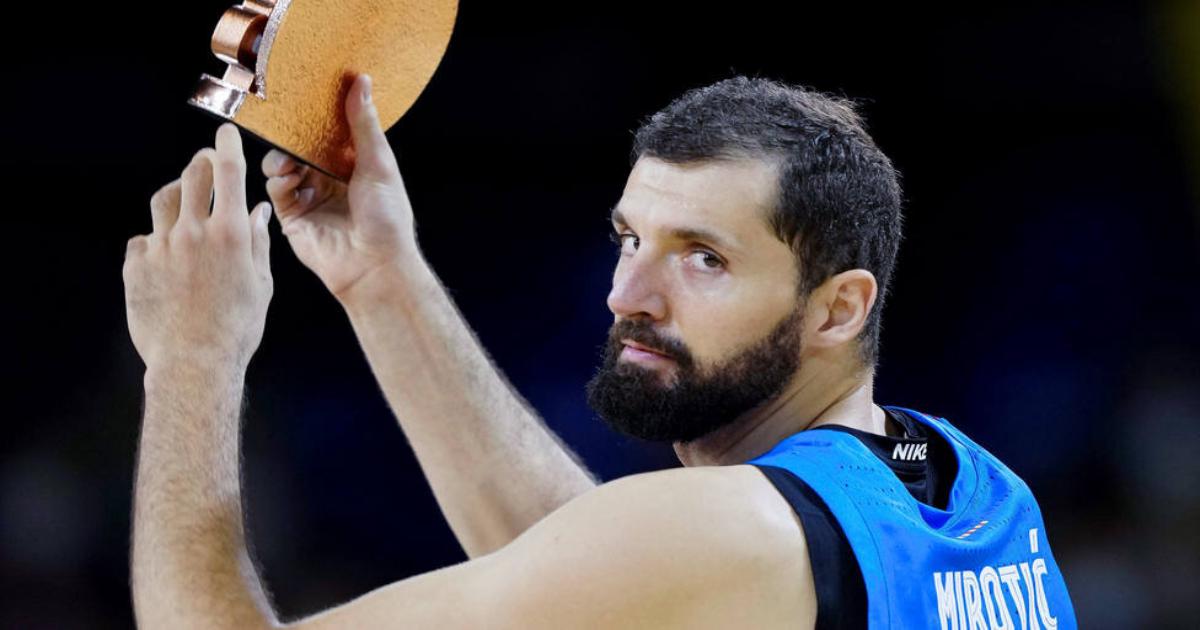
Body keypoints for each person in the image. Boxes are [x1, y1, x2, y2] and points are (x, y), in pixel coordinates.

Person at [122, 72, 1077, 629]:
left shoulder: (737, 531)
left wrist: (193, 359)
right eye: (630, 239)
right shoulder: (977, 494)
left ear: (839, 309)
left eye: (703, 258)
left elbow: (653, 553)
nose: (627, 297)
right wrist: (383, 278)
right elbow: (601, 571)